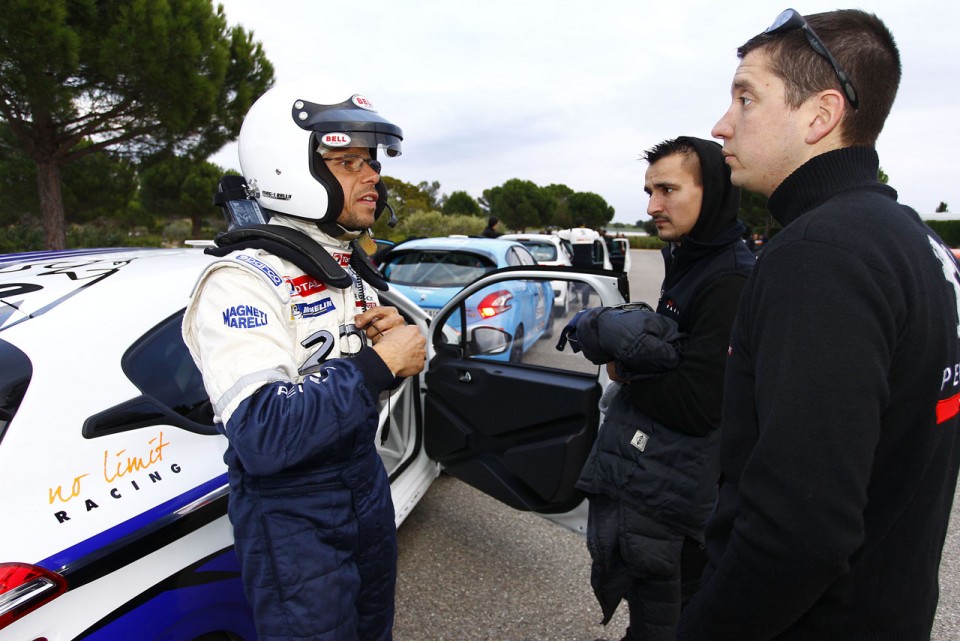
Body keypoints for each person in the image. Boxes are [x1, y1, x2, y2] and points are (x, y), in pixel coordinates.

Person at [678, 9, 960, 640]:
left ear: (820, 115)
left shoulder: (819, 254)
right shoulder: (913, 239)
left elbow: (798, 534)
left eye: (746, 97)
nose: (722, 125)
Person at [182, 81, 427, 641]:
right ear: (289, 169)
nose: (373, 176)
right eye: (348, 162)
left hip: (363, 483)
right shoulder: (242, 280)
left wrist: (380, 358)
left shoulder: (338, 265)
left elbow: (341, 393)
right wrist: (377, 367)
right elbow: (263, 432)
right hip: (292, 514)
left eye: (371, 161)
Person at [574, 137, 754, 640]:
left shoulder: (729, 279)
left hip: (692, 505)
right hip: (663, 489)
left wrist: (624, 370)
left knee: (674, 616)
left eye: (668, 190)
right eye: (649, 191)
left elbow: (699, 403)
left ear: (712, 191)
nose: (653, 205)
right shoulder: (690, 259)